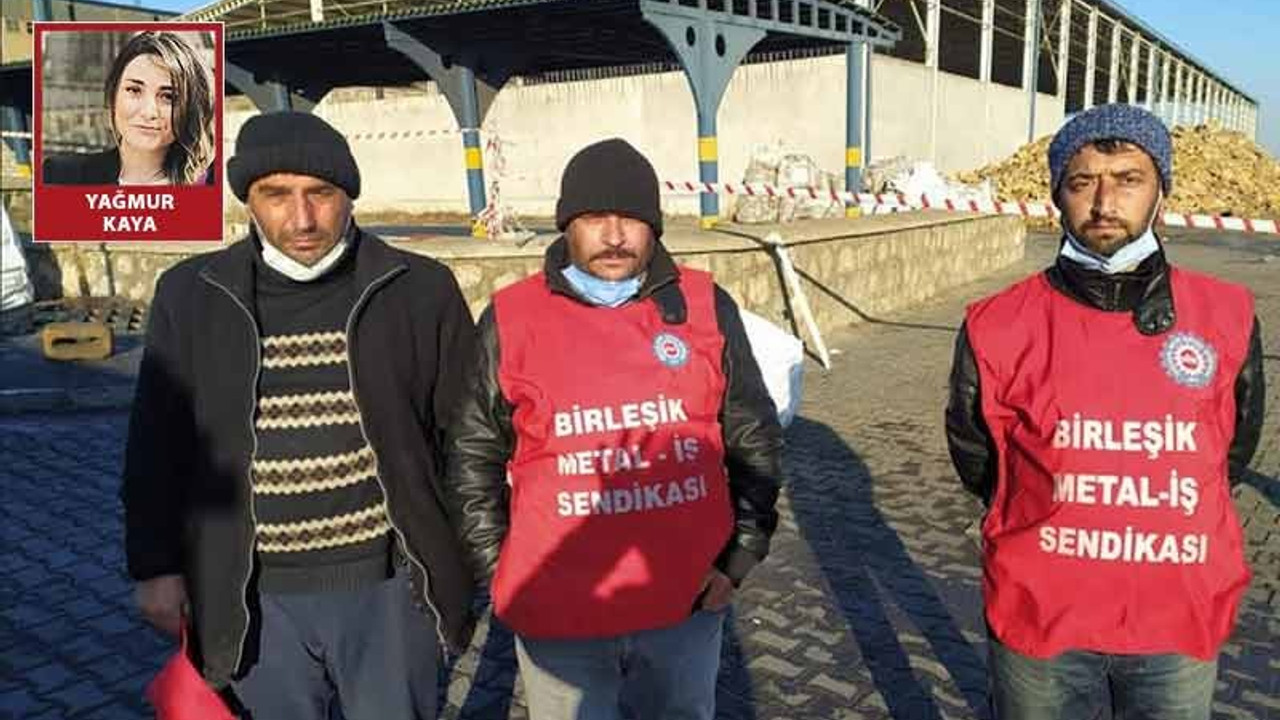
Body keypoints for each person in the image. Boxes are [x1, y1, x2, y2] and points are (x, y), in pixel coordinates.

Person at [121, 111, 476, 719]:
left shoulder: (418, 289)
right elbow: (157, 445)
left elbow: (466, 440)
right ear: (247, 201)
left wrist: (465, 563)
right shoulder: (193, 295)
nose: (303, 218)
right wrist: (156, 566)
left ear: (349, 195)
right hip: (253, 598)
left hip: (391, 593)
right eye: (276, 196)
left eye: (321, 194)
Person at [445, 138, 784, 720]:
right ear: (565, 225)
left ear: (653, 227)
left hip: (684, 601)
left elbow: (752, 438)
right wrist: (499, 567)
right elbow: (471, 453)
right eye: (594, 218)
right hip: (559, 613)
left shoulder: (704, 305)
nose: (614, 234)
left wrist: (741, 556)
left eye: (630, 217)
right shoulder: (513, 317)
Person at [945, 104, 1266, 720]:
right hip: (1042, 609)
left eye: (1127, 178)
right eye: (1082, 181)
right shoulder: (998, 323)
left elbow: (1231, 446)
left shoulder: (1225, 314)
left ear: (1160, 192)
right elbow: (978, 454)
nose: (1103, 202)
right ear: (1057, 196)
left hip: (1174, 613)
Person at [43, 30, 215, 186]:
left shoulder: (206, 186)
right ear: (113, 96)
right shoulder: (62, 177)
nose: (149, 112)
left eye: (168, 97)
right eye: (134, 90)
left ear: (190, 109)